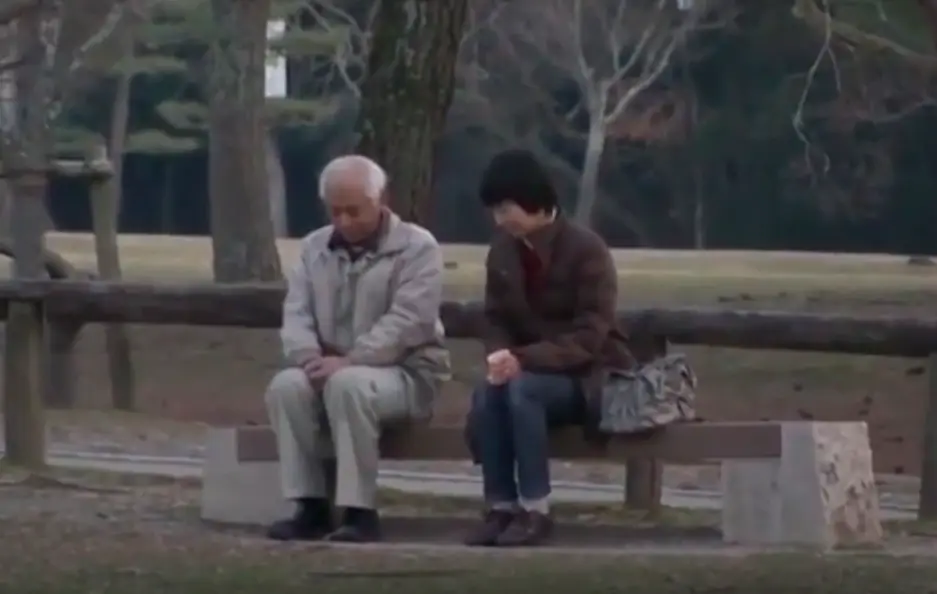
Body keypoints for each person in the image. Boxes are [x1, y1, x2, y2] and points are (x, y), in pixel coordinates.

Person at [264, 154, 450, 544]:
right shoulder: (313, 247)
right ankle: (309, 506)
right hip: (330, 367)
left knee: (348, 385)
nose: (344, 221)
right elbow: (296, 312)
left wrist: (351, 360)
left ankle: (359, 511)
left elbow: (409, 321)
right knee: (286, 387)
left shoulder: (418, 247)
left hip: (406, 372)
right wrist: (307, 358)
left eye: (354, 210)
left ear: (381, 201)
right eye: (335, 211)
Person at [463, 149, 634, 547]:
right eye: (495, 211)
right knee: (489, 393)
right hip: (522, 370)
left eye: (506, 208)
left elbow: (591, 334)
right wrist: (499, 355)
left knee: (522, 390)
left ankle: (535, 508)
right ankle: (500, 506)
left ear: (534, 200)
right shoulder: (503, 250)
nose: (500, 220)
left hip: (586, 376)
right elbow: (495, 317)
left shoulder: (587, 249)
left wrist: (523, 359)